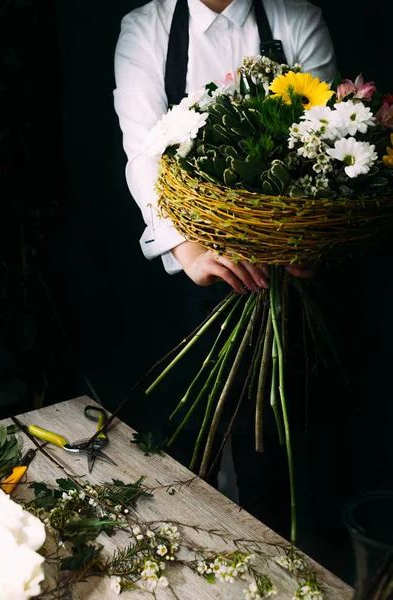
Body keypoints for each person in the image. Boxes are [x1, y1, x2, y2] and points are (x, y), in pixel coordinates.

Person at [113, 0, 336, 537]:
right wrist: (187, 248)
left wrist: (310, 237)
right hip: (190, 278)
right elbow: (144, 152)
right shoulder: (147, 28)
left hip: (282, 281)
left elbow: (326, 135)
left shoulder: (295, 19)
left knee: (275, 453)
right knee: (185, 444)